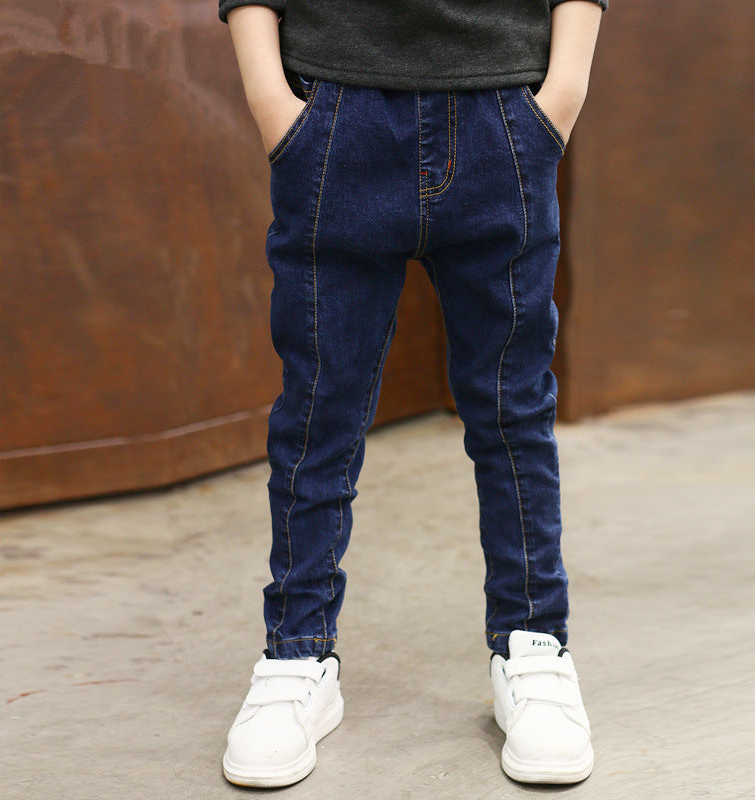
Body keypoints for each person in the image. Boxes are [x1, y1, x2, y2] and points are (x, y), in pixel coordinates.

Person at [217, 0, 605, 787]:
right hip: (335, 111)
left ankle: (533, 646)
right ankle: (296, 657)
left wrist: (560, 96)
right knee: (318, 412)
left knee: (513, 410)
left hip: (504, 106)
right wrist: (270, 100)